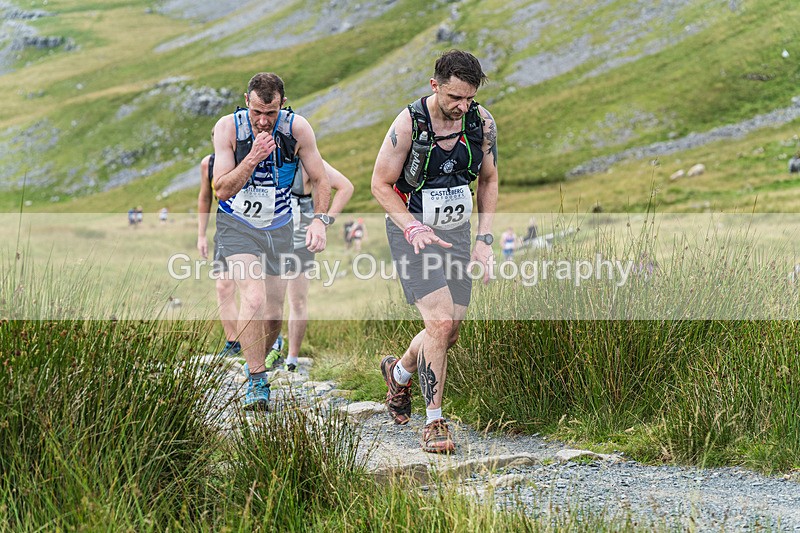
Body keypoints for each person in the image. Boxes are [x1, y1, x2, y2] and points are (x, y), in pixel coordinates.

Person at [371, 50, 498, 453]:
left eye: (469, 98)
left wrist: (484, 240)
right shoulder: (408, 124)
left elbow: (489, 180)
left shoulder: (481, 123)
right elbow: (380, 184)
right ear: (435, 85)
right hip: (413, 234)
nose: (462, 107)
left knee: (448, 332)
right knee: (440, 325)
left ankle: (399, 375)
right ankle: (434, 423)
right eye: (455, 98)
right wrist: (412, 226)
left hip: (457, 234)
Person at [212, 72, 331, 411]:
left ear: (283, 104)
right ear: (246, 102)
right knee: (253, 297)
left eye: (271, 112)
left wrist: (320, 222)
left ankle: (257, 363)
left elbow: (322, 179)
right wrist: (252, 157)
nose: (263, 121)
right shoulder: (229, 129)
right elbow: (221, 189)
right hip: (237, 224)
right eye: (257, 112)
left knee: (274, 313)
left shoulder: (297, 129)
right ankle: (257, 379)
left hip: (279, 225)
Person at [283, 160, 353, 372]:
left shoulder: (306, 161)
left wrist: (323, 222)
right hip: (267, 240)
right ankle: (267, 349)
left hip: (298, 243)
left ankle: (291, 359)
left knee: (297, 301)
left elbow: (345, 187)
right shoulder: (260, 156)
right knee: (264, 300)